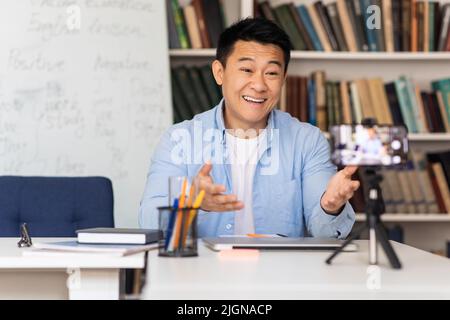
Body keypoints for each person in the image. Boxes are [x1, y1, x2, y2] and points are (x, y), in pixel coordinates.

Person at [139, 18, 360, 239]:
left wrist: (330, 207)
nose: (259, 85)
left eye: (271, 73)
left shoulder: (307, 140)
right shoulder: (179, 139)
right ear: (219, 72)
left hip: (279, 271)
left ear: (283, 79)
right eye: (247, 69)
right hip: (204, 271)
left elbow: (326, 234)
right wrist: (192, 201)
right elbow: (149, 223)